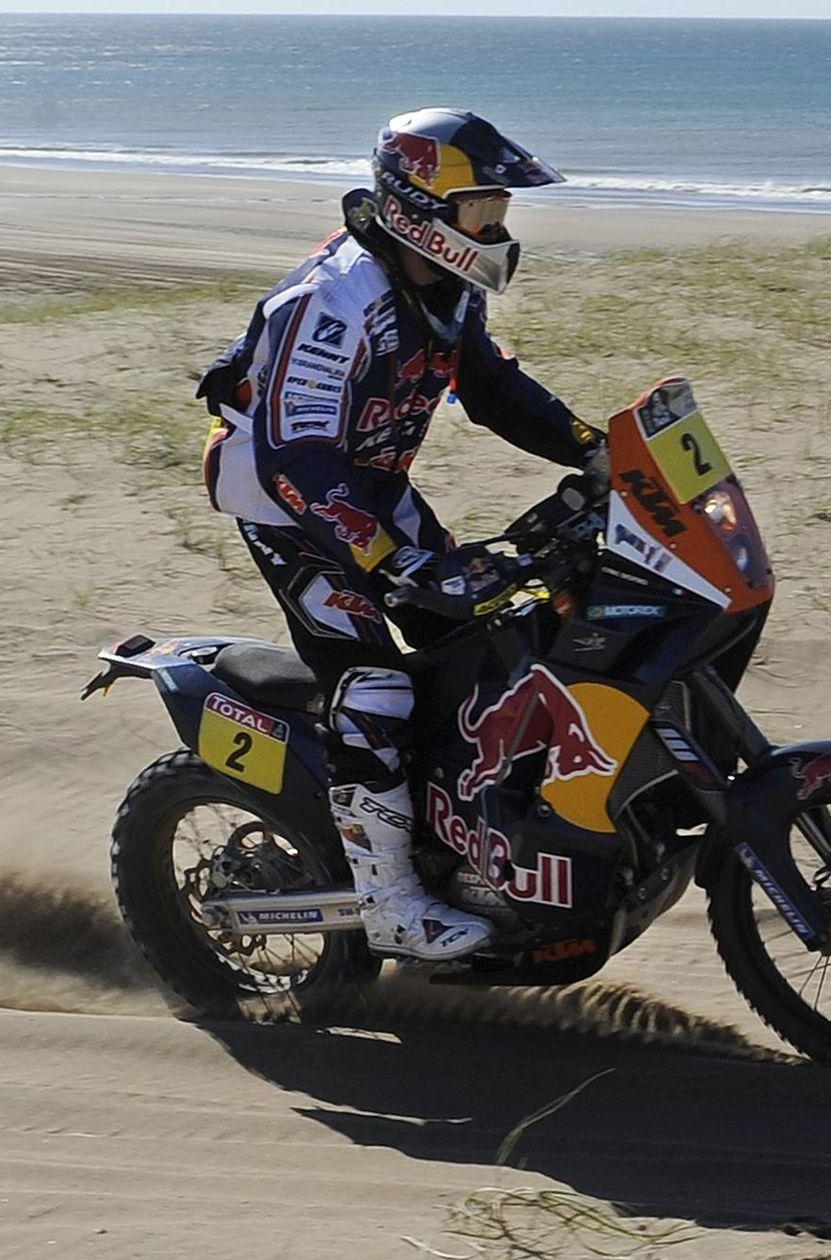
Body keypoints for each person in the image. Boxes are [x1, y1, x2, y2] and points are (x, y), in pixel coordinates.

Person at [195, 108, 594, 961]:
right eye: (481, 211)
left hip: (373, 487)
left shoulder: (442, 283)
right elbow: (297, 459)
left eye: (499, 211)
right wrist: (391, 559)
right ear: (418, 209)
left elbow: (494, 390)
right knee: (376, 690)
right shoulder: (334, 302)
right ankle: (390, 904)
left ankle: (463, 836)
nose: (496, 229)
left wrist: (598, 450)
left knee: (492, 634)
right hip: (286, 504)